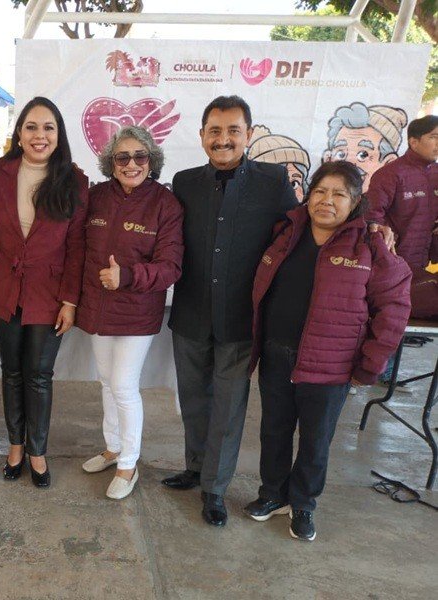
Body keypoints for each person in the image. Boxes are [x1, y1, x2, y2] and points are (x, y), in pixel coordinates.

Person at [244, 161, 411, 541]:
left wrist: (370, 365)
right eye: (320, 191)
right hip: (276, 355)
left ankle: (303, 504)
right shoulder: (285, 235)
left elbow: (395, 308)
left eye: (339, 194)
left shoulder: (370, 246)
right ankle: (272, 494)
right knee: (273, 431)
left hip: (331, 366)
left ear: (355, 203)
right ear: (308, 195)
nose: (327, 201)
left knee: (316, 440)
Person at [164, 95, 297, 527]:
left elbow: (301, 230)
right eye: (215, 131)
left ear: (249, 135)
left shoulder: (273, 181)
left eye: (233, 131)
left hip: (242, 318)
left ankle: (215, 489)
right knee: (193, 398)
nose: (223, 139)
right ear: (202, 135)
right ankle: (196, 466)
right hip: (189, 313)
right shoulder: (183, 182)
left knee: (228, 405)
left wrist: (369, 223)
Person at [0, 96, 87, 488]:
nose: (39, 135)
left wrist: (71, 301)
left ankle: (38, 450)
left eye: (48, 128)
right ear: (19, 133)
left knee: (38, 374)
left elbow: (77, 247)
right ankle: (15, 447)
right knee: (11, 371)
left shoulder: (74, 180)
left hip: (50, 292)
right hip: (1, 288)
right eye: (31, 127)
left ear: (58, 135)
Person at [76, 126, 184, 500]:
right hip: (96, 308)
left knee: (123, 386)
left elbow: (170, 267)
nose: (131, 164)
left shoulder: (165, 205)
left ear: (151, 161)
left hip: (137, 312)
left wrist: (128, 276)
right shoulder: (96, 197)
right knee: (106, 382)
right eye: (122, 157)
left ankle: (129, 463)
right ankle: (112, 447)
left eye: (140, 156)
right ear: (111, 163)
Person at [365, 115, 438, 387]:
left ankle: (387, 371)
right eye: (434, 137)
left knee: (405, 317)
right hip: (392, 264)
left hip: (423, 263)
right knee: (386, 317)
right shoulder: (391, 174)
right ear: (414, 141)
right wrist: (382, 237)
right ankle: (370, 368)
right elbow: (372, 216)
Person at [322, 102, 407, 192]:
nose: (349, 162)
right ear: (328, 159)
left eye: (363, 155)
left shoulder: (384, 203)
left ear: (388, 163)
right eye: (341, 154)